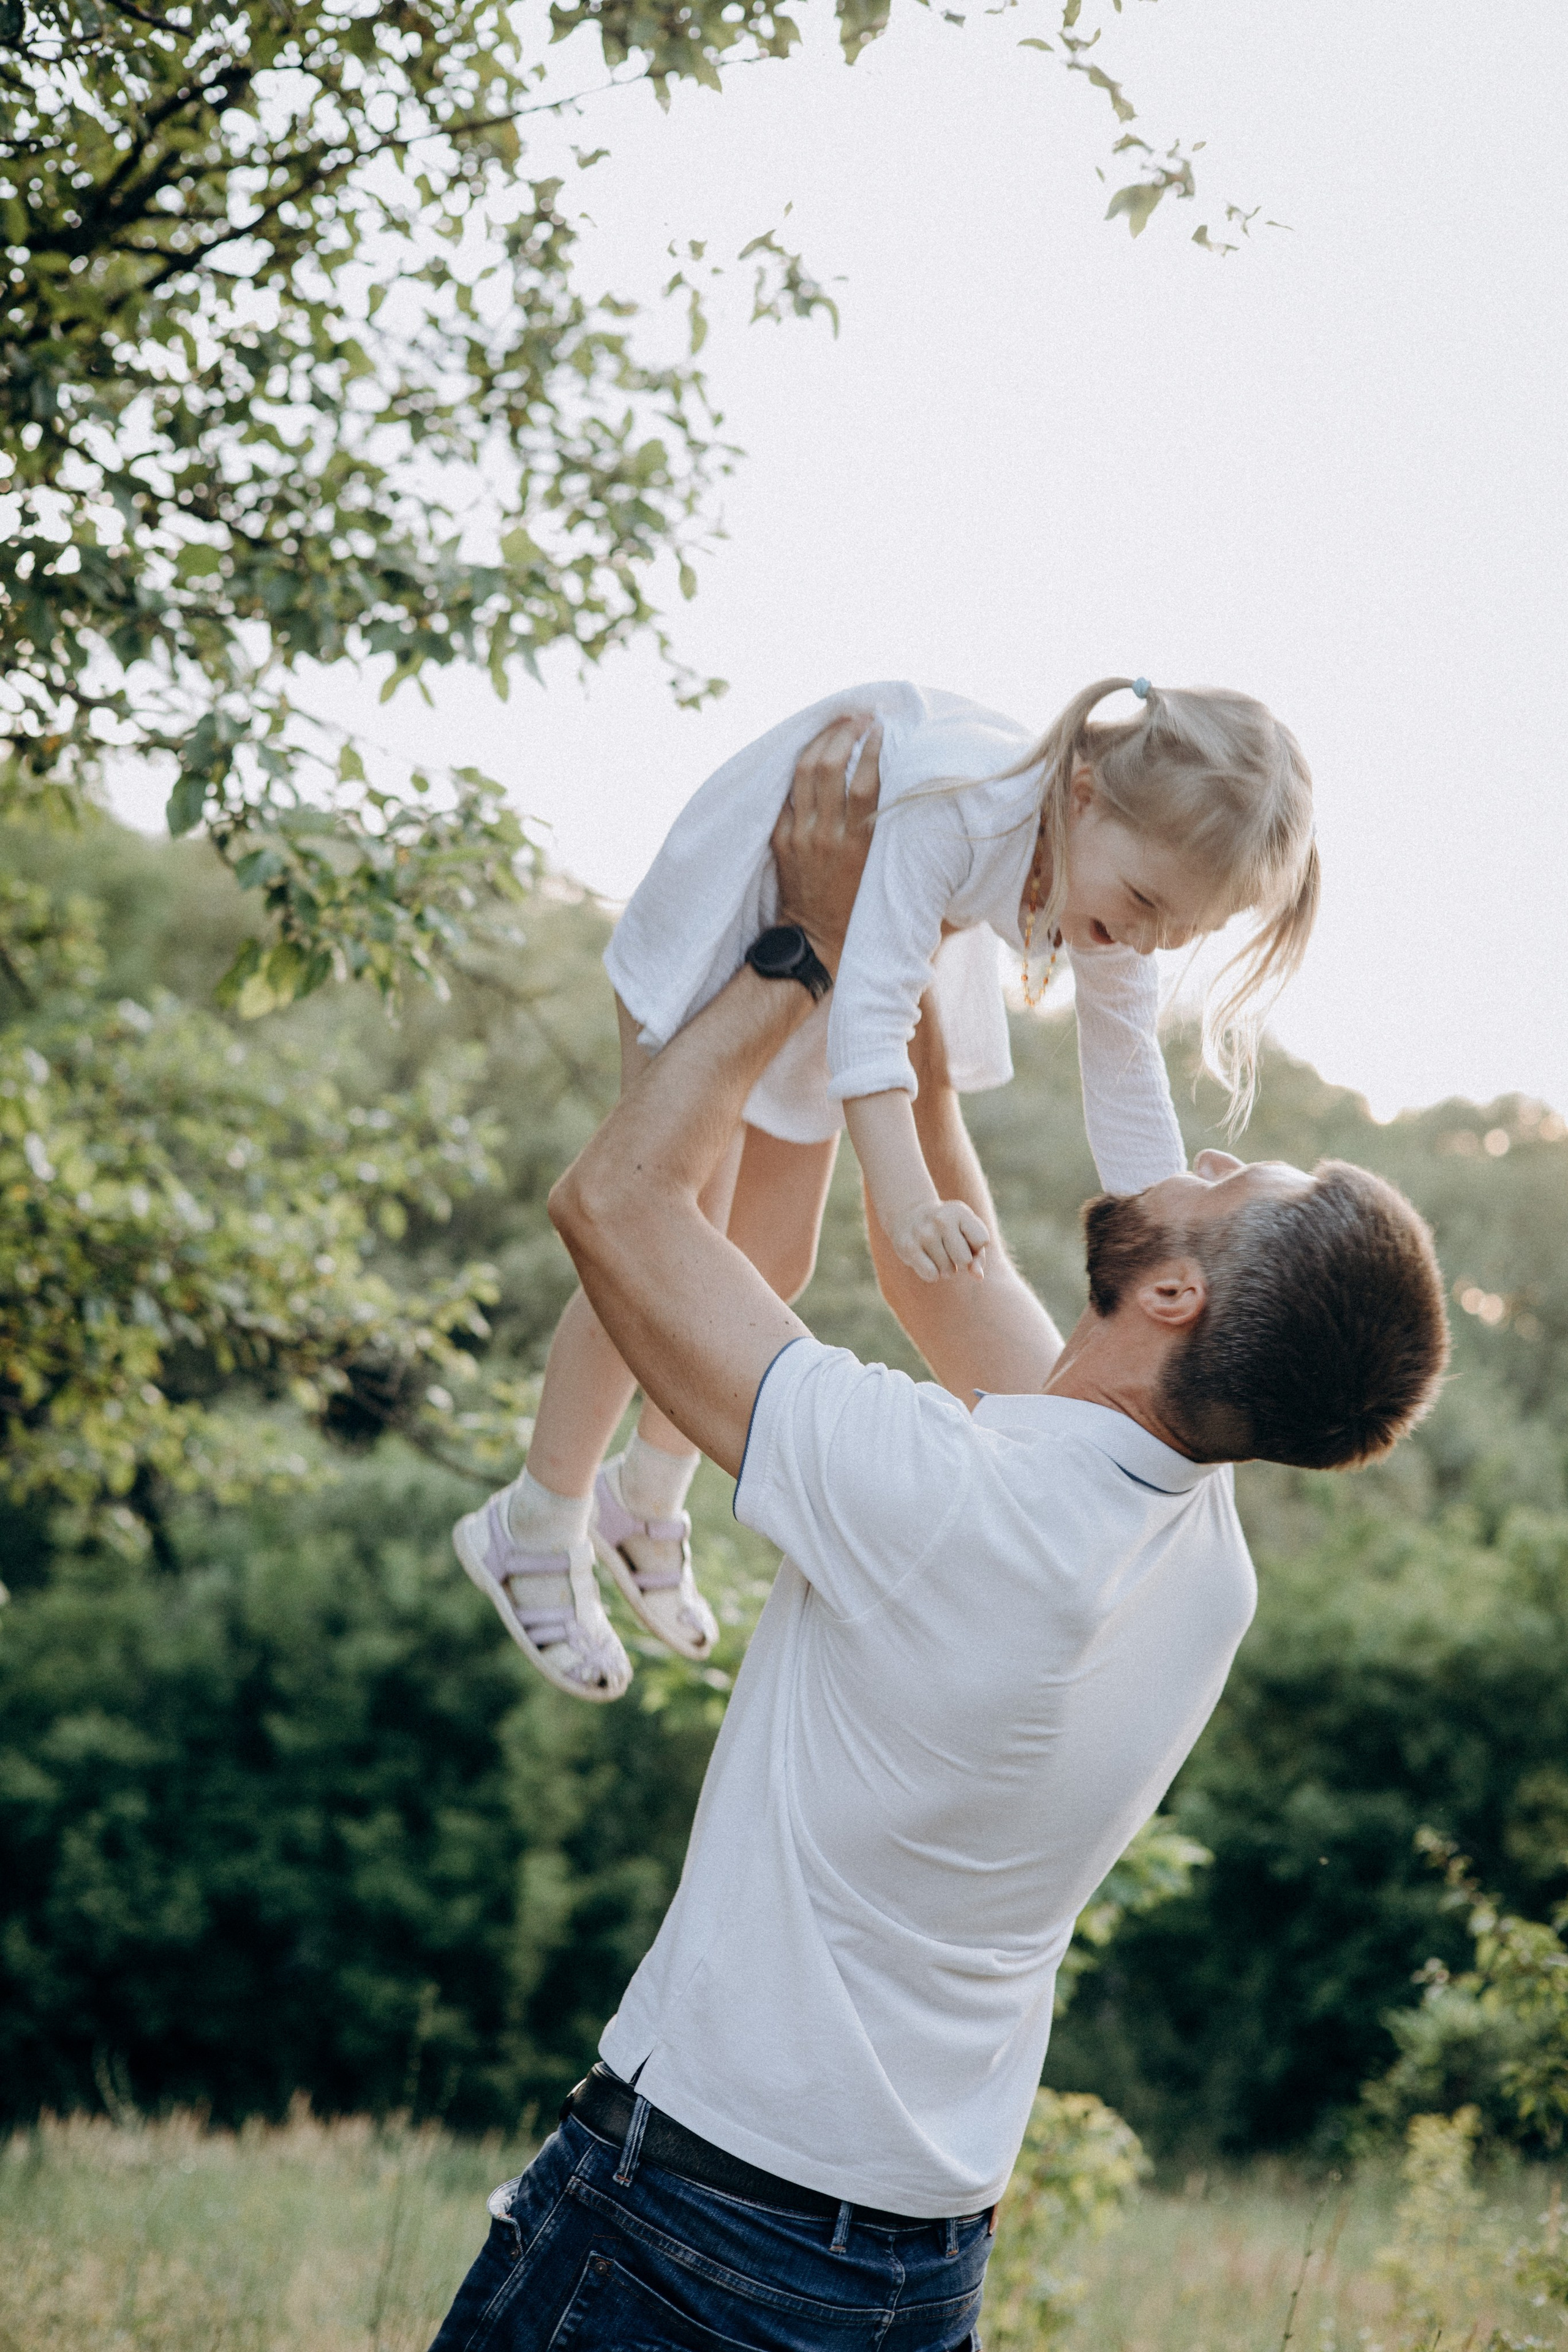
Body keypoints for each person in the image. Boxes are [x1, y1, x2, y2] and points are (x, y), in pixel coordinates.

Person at [427, 721, 1446, 2352]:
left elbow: (617, 1206)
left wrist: (800, 952)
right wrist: (911, 937)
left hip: (692, 2236)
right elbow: (928, 1267)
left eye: (1241, 1176)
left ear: (1177, 1293)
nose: (1209, 1149)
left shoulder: (948, 1507)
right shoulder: (1194, 1545)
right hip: (911, 2267)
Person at [455, 676, 1319, 1701]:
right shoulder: (960, 805)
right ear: (1082, 793)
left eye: (1176, 935)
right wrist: (907, 1197)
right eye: (1139, 906)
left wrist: (1172, 1239)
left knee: (774, 1260)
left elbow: (1126, 1071)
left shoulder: (1114, 891)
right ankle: (536, 1518)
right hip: (755, 910)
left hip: (869, 943)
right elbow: (870, 1013)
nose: (1140, 943)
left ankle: (642, 1499)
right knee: (671, 1233)